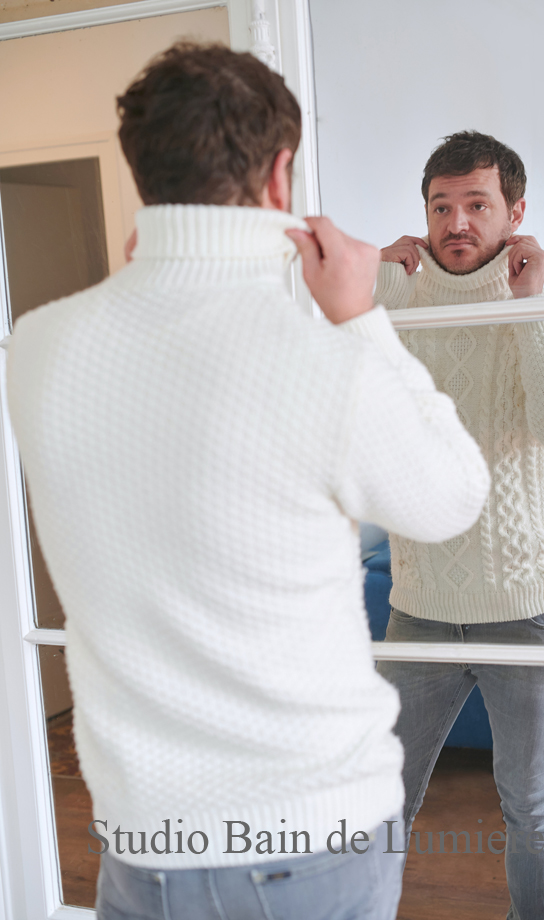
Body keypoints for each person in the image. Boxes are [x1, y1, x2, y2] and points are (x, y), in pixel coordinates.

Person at [6, 47, 490, 920]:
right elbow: (452, 496)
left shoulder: (38, 347)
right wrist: (360, 320)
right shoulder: (322, 358)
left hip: (142, 845)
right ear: (279, 174)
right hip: (309, 841)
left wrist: (149, 272)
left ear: (142, 168)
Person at [375, 130, 544, 920]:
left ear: (514, 212)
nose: (455, 222)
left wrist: (531, 306)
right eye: (440, 206)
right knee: (380, 798)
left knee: (530, 804)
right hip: (424, 599)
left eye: (476, 204)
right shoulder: (392, 306)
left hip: (532, 603)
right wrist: (367, 297)